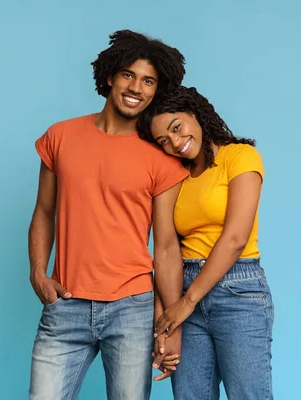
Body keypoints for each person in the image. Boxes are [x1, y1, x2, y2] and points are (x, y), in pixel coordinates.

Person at [27, 30, 189, 400]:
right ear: (111, 76)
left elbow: (165, 247)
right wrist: (38, 272)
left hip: (131, 308)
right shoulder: (60, 136)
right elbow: (43, 210)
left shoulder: (162, 158)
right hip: (65, 304)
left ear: (156, 90)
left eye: (149, 80)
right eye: (129, 75)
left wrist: (170, 326)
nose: (137, 87)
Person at [138, 85, 275, 400]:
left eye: (177, 127)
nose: (175, 142)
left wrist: (186, 304)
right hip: (182, 287)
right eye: (164, 140)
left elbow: (235, 238)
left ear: (196, 113)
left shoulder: (240, 157)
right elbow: (166, 249)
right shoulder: (176, 175)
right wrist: (165, 322)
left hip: (237, 291)